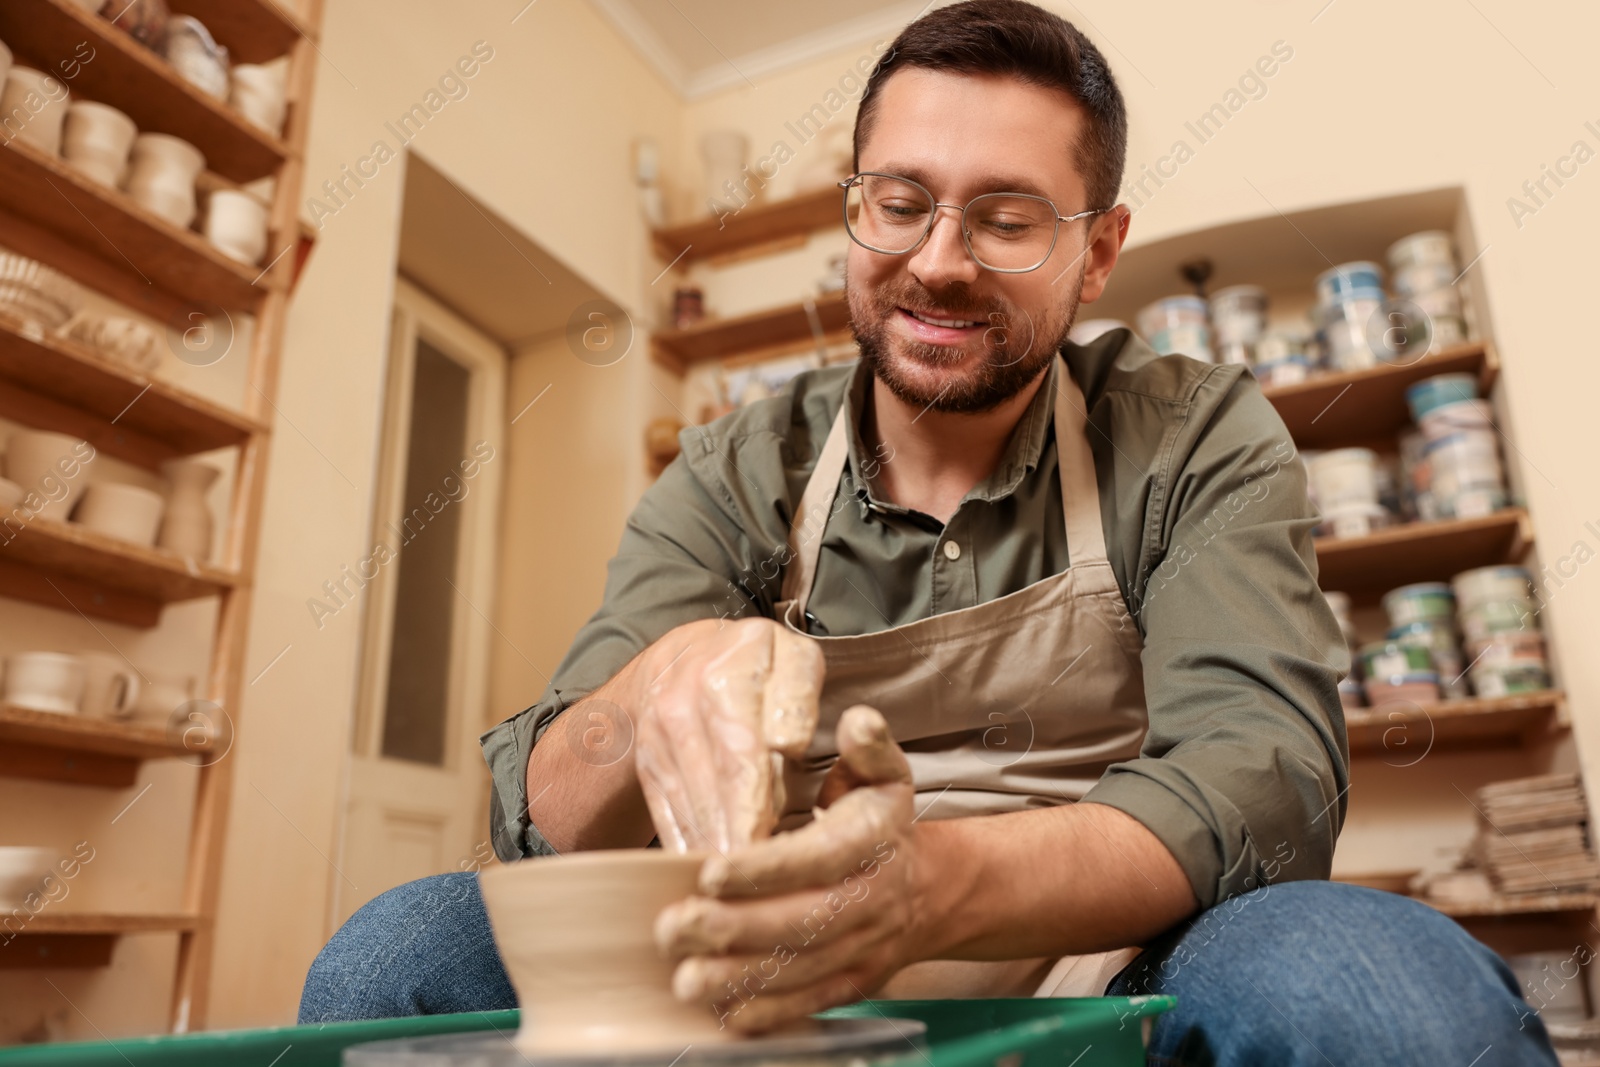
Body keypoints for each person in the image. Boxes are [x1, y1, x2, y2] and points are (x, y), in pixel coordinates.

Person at [301, 2, 1558, 1061]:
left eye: (1007, 219)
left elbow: (1264, 781)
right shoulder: (744, 461)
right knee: (401, 952)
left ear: (1098, 249)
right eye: (900, 202)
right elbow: (542, 821)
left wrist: (933, 885)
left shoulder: (1185, 431)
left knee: (1376, 989)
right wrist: (653, 681)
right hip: (772, 989)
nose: (938, 261)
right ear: (856, 206)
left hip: (1113, 978)